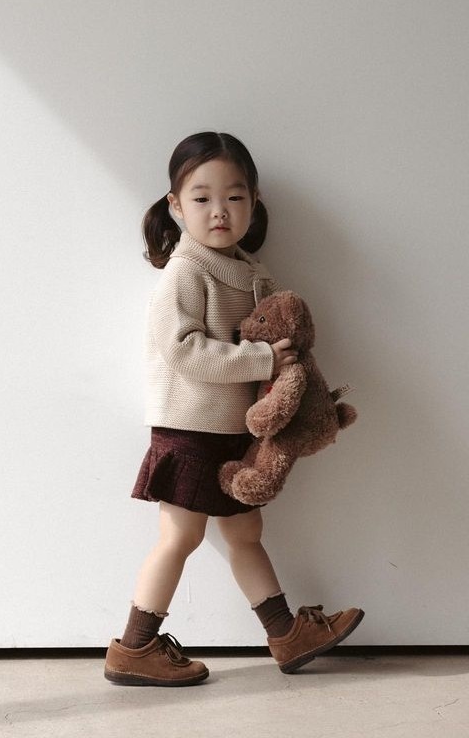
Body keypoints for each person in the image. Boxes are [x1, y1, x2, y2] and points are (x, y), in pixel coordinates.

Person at [104, 131, 363, 687]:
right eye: (201, 198)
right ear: (176, 206)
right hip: (190, 427)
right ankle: (134, 646)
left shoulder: (250, 269)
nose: (219, 211)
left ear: (254, 201)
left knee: (246, 532)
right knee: (180, 537)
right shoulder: (185, 271)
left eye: (234, 197)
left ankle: (286, 634)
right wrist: (261, 359)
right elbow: (183, 349)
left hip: (231, 431)